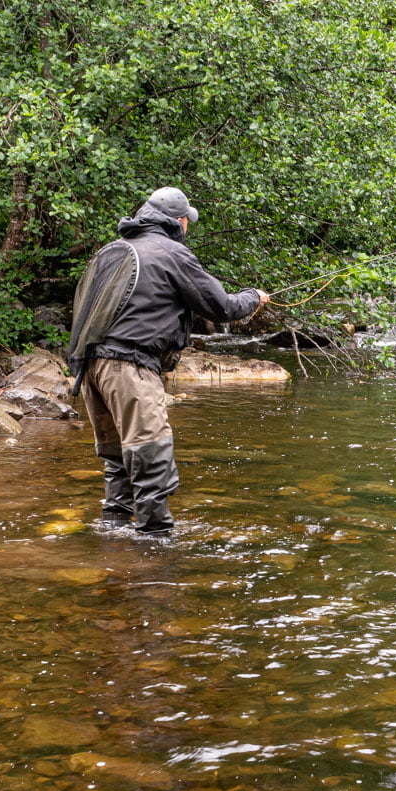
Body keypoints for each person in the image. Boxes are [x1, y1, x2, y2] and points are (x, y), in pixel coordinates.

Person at [68, 187, 270, 533]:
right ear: (179, 222)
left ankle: (114, 539)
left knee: (119, 460)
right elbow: (220, 307)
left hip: (90, 368)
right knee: (151, 458)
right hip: (129, 367)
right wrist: (254, 298)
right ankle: (154, 548)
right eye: (187, 222)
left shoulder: (109, 252)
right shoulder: (172, 253)